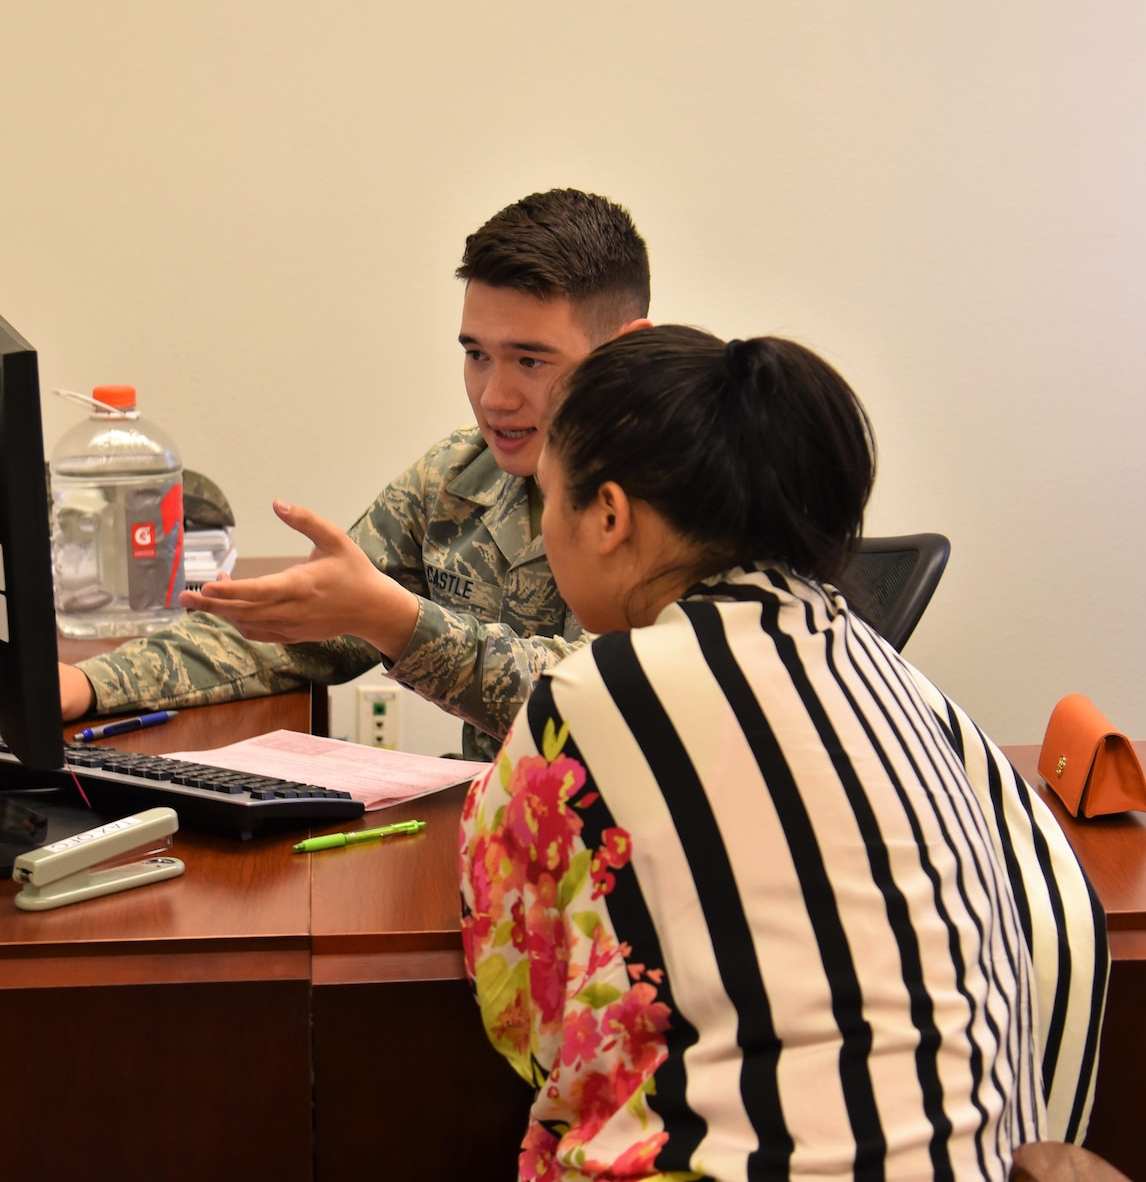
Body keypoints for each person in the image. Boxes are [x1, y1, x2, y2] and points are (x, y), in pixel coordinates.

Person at [459, 327, 1112, 1180]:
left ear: (610, 516)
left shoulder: (593, 694)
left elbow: (523, 1003)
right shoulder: (900, 676)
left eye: (548, 498)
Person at [0, 188, 651, 760]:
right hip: (500, 847)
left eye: (530, 360)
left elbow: (598, 698)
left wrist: (394, 620)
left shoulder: (685, 500)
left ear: (626, 350)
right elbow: (299, 628)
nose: (495, 395)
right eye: (476, 354)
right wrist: (87, 683)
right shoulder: (461, 474)